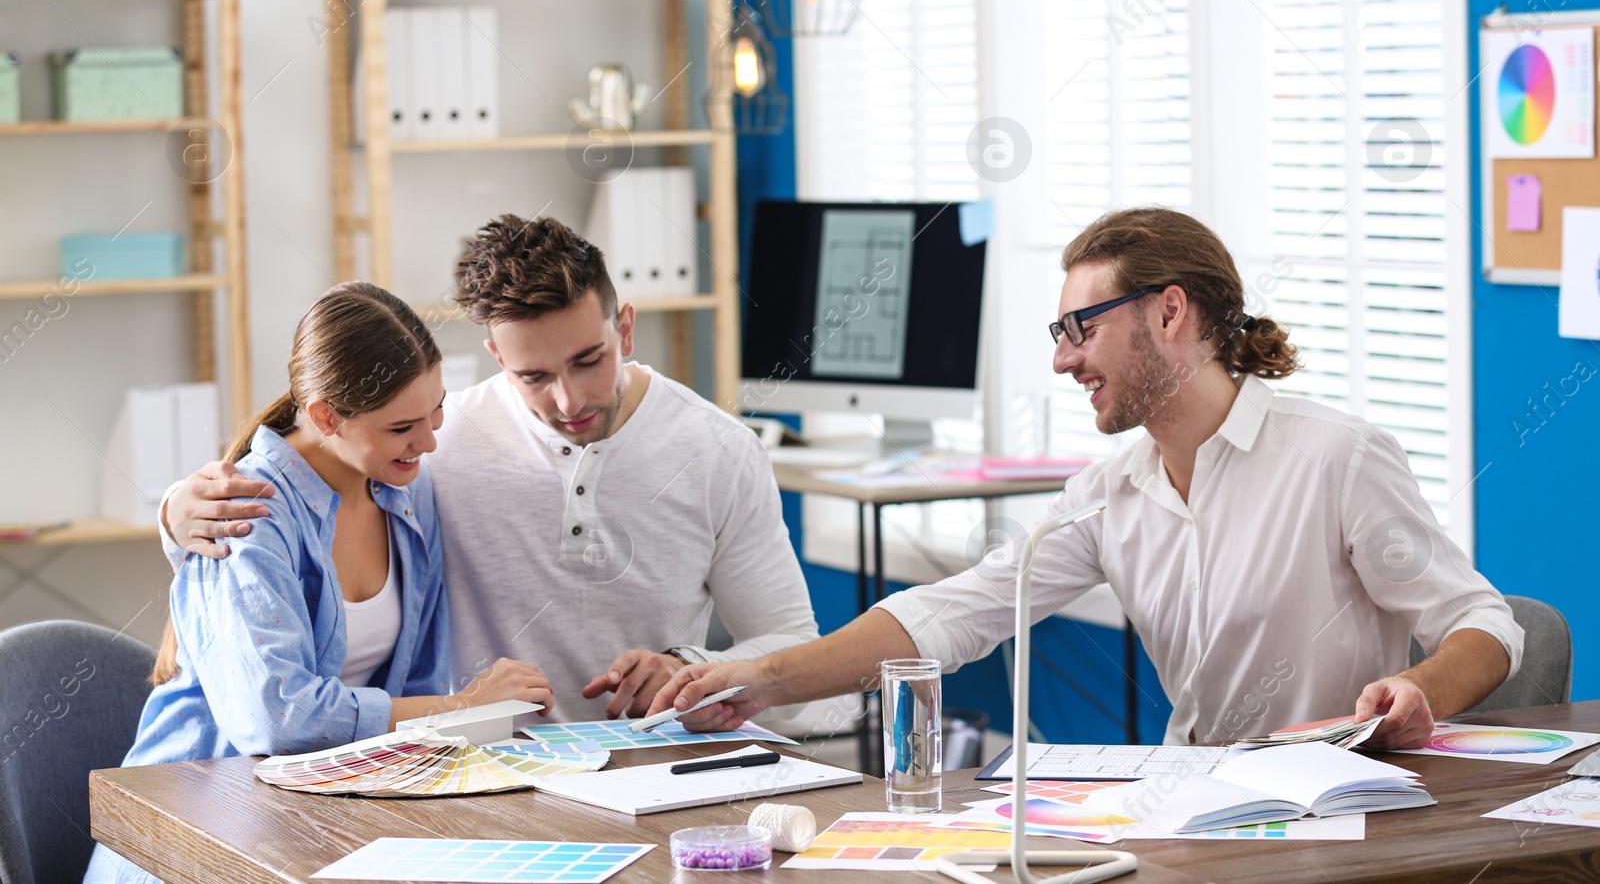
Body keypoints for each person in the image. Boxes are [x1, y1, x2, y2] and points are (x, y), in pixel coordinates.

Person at [650, 207, 1524, 749]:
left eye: (1082, 326)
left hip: (1339, 810)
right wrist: (760, 680)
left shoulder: (1336, 457)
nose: (1065, 359)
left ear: (1170, 310)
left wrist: (1420, 691)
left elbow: (1483, 621)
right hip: (1197, 806)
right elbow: (956, 613)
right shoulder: (1111, 492)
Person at [158, 216, 818, 722]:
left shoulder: (719, 450)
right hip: (483, 772)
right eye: (534, 375)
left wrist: (691, 668)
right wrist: (176, 516)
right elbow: (293, 490)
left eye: (589, 359)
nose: (569, 399)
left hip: (650, 764)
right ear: (496, 356)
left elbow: (801, 662)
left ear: (625, 328)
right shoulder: (432, 447)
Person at [85, 282, 549, 884]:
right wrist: (459, 708)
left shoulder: (407, 489)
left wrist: (466, 728)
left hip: (320, 818)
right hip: (199, 837)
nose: (429, 441)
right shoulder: (247, 513)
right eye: (402, 425)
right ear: (327, 417)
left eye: (437, 412)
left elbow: (420, 681)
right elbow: (275, 721)